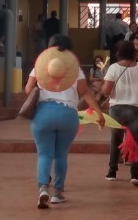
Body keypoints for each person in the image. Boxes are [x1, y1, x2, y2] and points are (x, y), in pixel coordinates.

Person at [25, 35, 104, 208]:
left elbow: (28, 89)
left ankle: (43, 188)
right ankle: (58, 193)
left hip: (43, 114)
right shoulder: (75, 68)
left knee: (44, 154)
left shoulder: (40, 66)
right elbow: (85, 92)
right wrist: (99, 112)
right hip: (68, 115)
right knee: (60, 155)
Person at [102, 40, 138, 186]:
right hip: (137, 109)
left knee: (115, 140)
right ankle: (135, 174)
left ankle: (112, 171)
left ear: (118, 52)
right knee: (134, 141)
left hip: (117, 108)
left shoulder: (113, 68)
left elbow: (106, 91)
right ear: (133, 52)